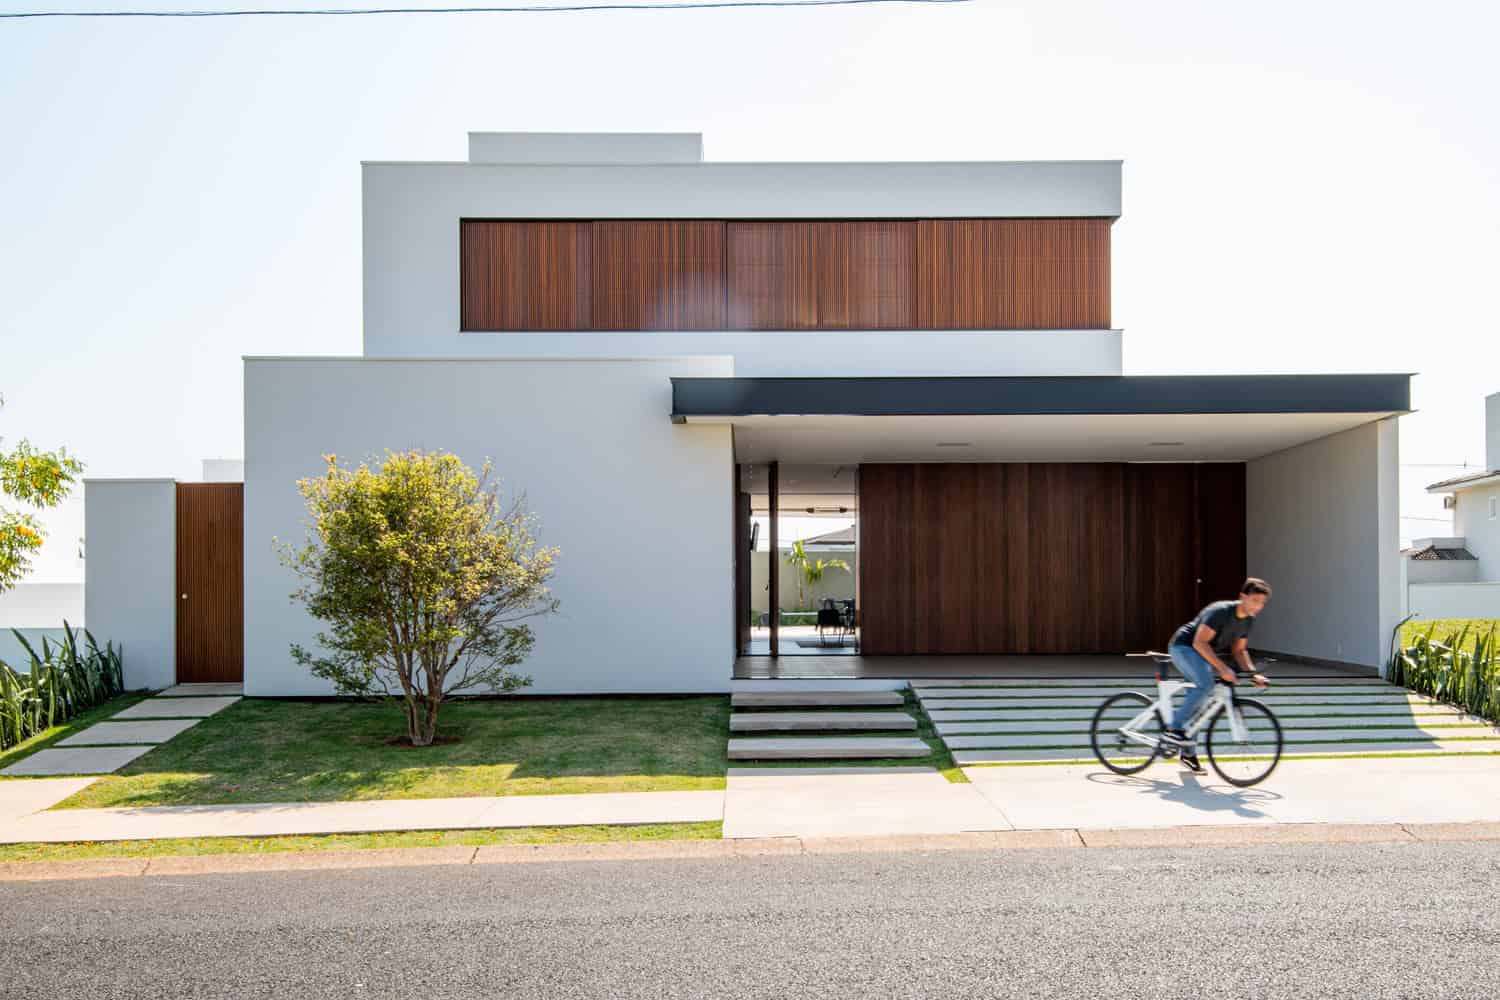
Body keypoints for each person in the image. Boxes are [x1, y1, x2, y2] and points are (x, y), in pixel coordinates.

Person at [1162, 578, 1272, 772]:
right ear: (1242, 597)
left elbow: (1239, 651)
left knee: (1200, 702)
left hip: (1201, 654)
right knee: (1206, 685)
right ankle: (1173, 729)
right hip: (1184, 647)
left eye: (1262, 603)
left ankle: (1187, 754)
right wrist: (1223, 669)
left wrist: (1253, 673)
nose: (1259, 606)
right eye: (1255, 600)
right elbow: (1199, 643)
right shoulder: (1220, 611)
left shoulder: (1248, 620)